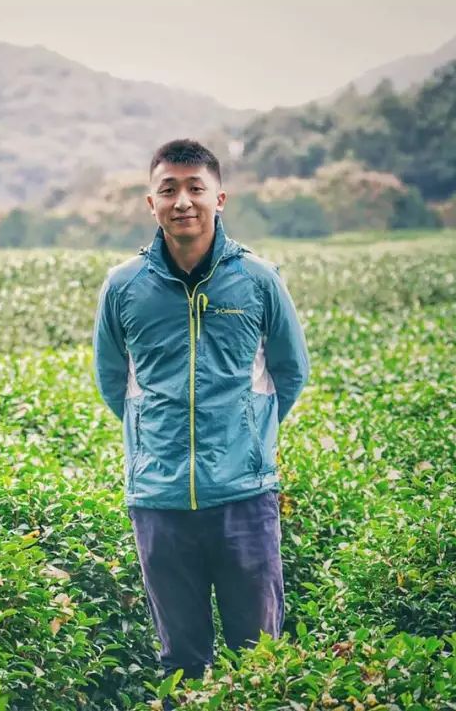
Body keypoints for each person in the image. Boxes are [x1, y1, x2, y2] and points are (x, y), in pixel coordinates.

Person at [91, 139, 310, 703]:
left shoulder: (258, 279)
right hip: (159, 500)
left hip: (244, 497)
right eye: (169, 190)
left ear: (220, 198)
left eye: (195, 188)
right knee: (181, 661)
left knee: (258, 658)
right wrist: (155, 442)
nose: (182, 201)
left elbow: (290, 372)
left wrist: (247, 437)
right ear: (151, 202)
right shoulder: (123, 286)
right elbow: (113, 381)